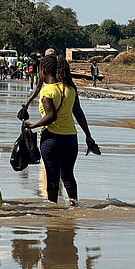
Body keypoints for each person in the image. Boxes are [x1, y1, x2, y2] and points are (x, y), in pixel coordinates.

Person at [22, 55, 99, 205]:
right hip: (70, 139)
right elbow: (79, 113)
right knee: (68, 176)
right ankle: (74, 207)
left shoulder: (47, 91)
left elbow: (51, 117)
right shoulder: (70, 88)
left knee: (52, 178)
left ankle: (53, 213)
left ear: (43, 71)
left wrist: (32, 126)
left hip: (51, 139)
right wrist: (88, 136)